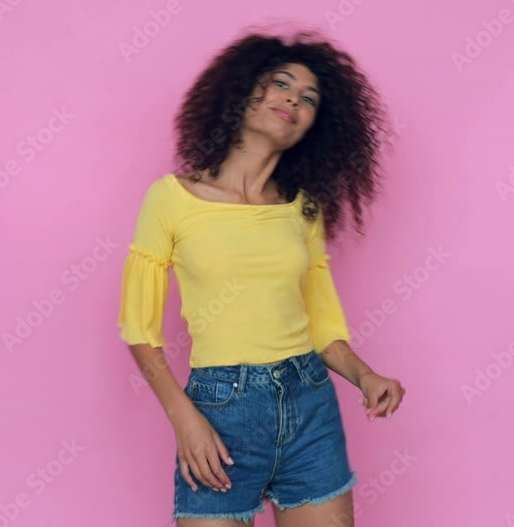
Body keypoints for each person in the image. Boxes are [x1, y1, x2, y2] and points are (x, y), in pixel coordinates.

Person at [117, 29, 406, 527]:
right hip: (219, 411)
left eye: (309, 98)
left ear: (315, 127)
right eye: (281, 83)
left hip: (310, 406)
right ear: (243, 90)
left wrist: (366, 376)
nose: (293, 99)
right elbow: (140, 332)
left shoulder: (302, 210)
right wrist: (185, 420)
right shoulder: (171, 198)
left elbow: (321, 325)